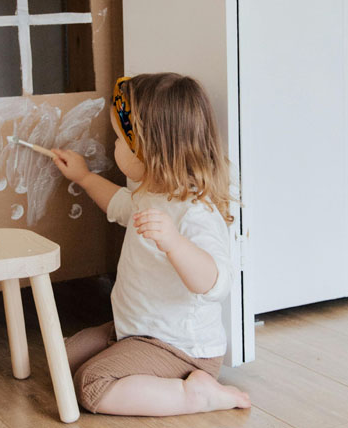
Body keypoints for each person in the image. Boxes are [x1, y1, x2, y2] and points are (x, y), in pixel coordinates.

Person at [51, 73, 251, 416]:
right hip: (137, 328)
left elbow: (216, 283)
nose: (114, 147)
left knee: (90, 385)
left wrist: (173, 242)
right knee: (59, 358)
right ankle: (142, 369)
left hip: (180, 348)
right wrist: (84, 177)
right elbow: (118, 204)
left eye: (119, 140)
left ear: (151, 150)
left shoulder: (195, 211)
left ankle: (197, 395)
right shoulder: (151, 194)